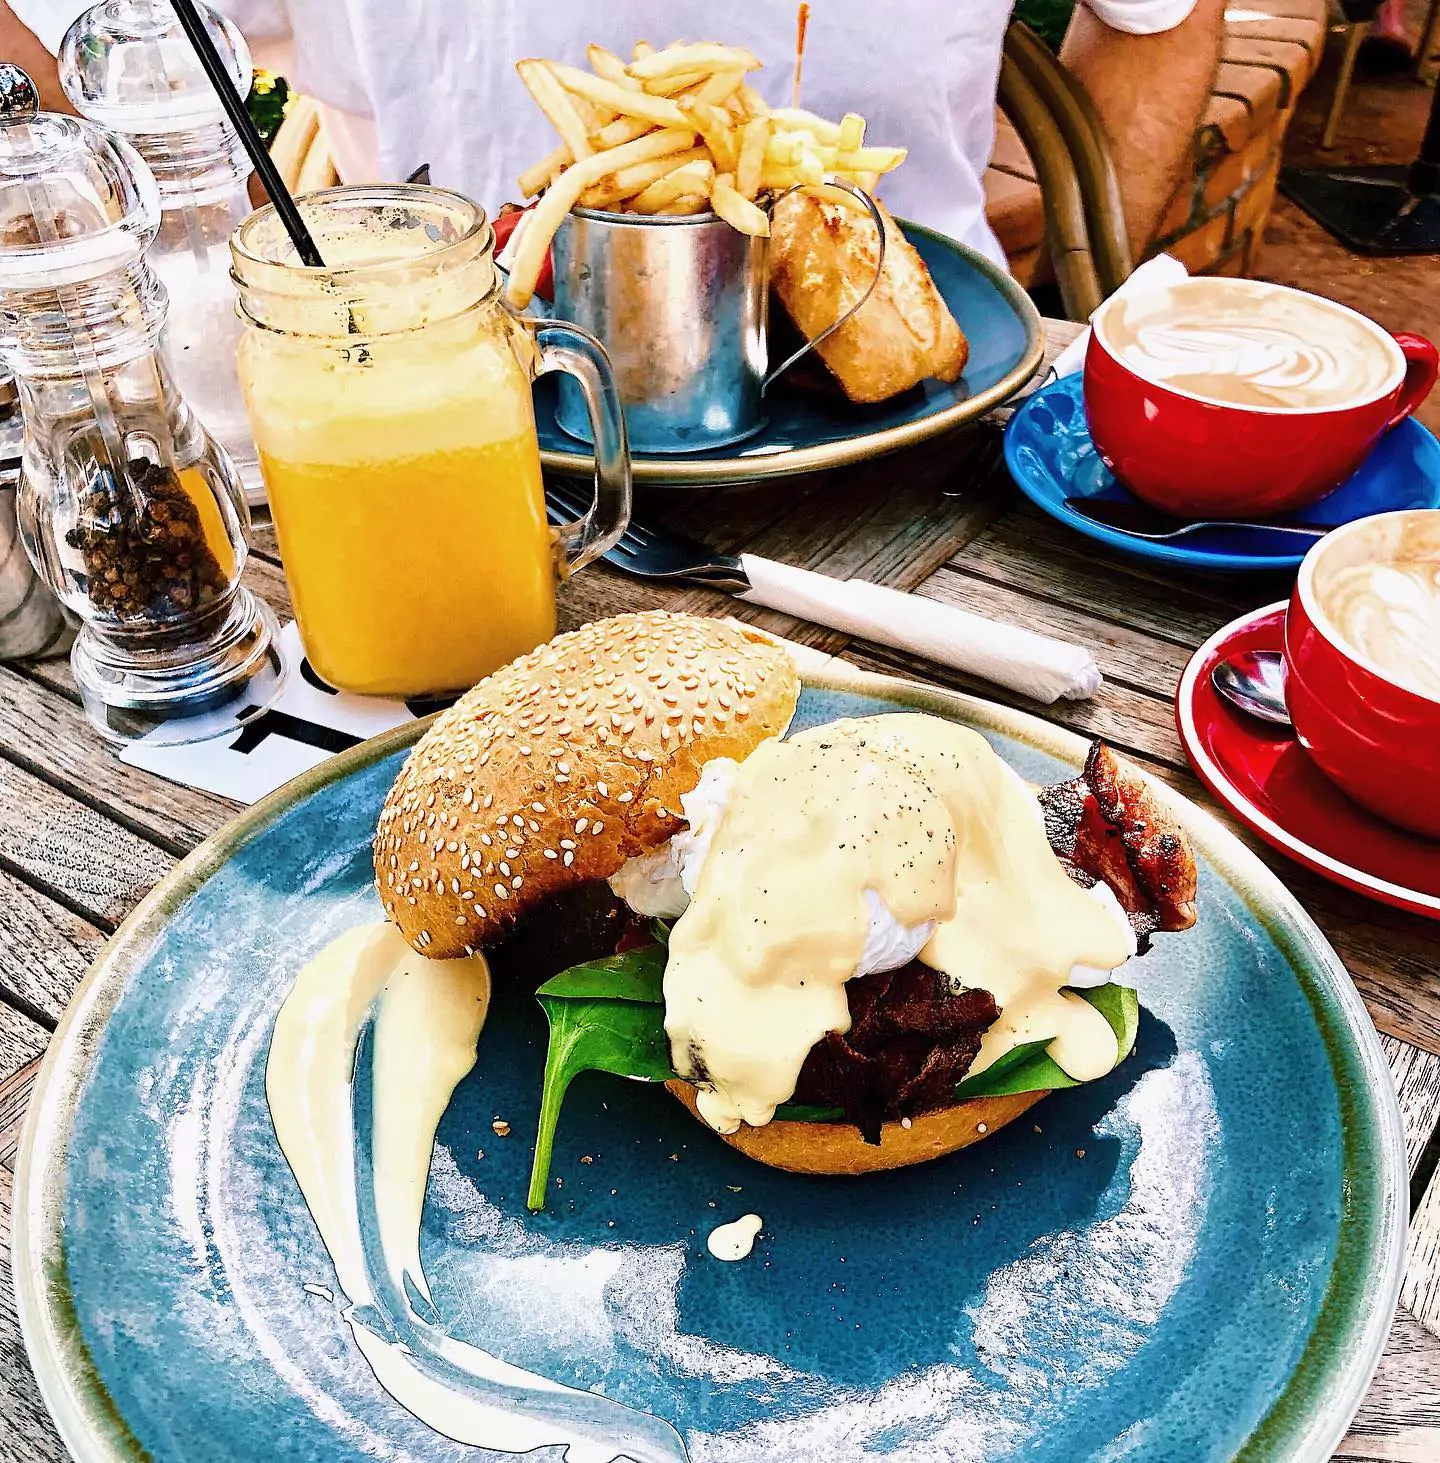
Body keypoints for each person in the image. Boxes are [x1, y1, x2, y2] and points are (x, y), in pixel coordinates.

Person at [3, 0, 1223, 269]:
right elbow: (61, 19)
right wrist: (172, 263)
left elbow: (1159, 15)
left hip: (930, 420)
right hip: (455, 416)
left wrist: (1077, 286)